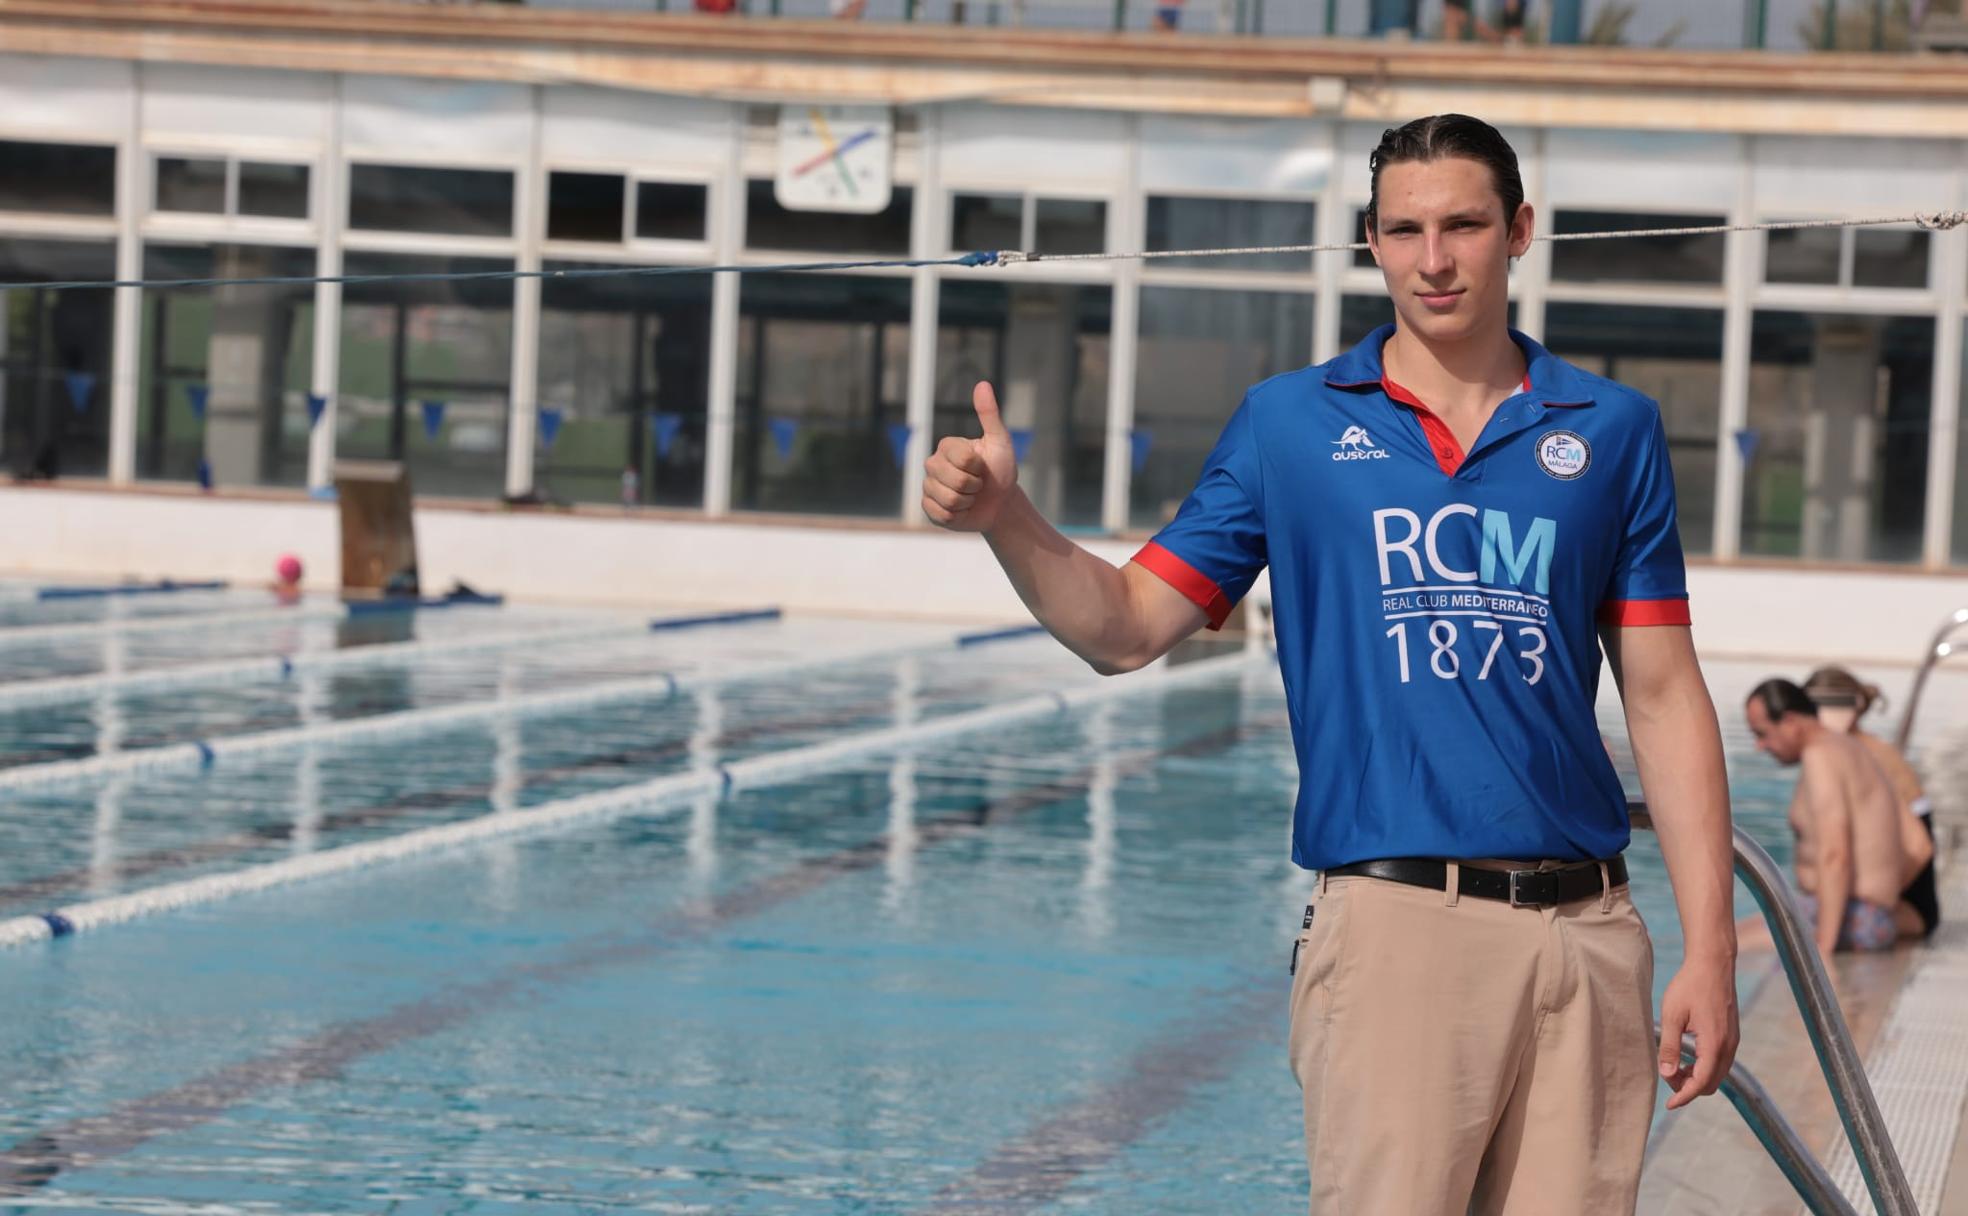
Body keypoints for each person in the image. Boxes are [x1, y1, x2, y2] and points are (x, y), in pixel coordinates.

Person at [921, 113, 1738, 1215]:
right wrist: (1006, 516)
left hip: (1589, 938)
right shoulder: (1290, 426)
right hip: (1400, 928)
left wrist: (1711, 947)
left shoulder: (1613, 430)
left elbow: (1664, 692)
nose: (1434, 258)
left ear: (1521, 231)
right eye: (1405, 230)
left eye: (1463, 225)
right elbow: (1122, 627)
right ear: (1371, 241)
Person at [1741, 678, 1914, 957]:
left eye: (1763, 734)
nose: (1760, 746)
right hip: (1863, 913)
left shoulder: (1821, 756)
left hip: (1860, 918)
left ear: (1789, 721)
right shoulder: (1841, 746)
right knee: (1729, 937)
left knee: (1731, 950)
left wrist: (1825, 946)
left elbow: (1835, 853)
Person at [1804, 666, 1939, 939]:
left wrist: (1874, 901)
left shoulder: (1869, 756)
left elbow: (1921, 846)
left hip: (1908, 908)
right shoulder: (1851, 749)